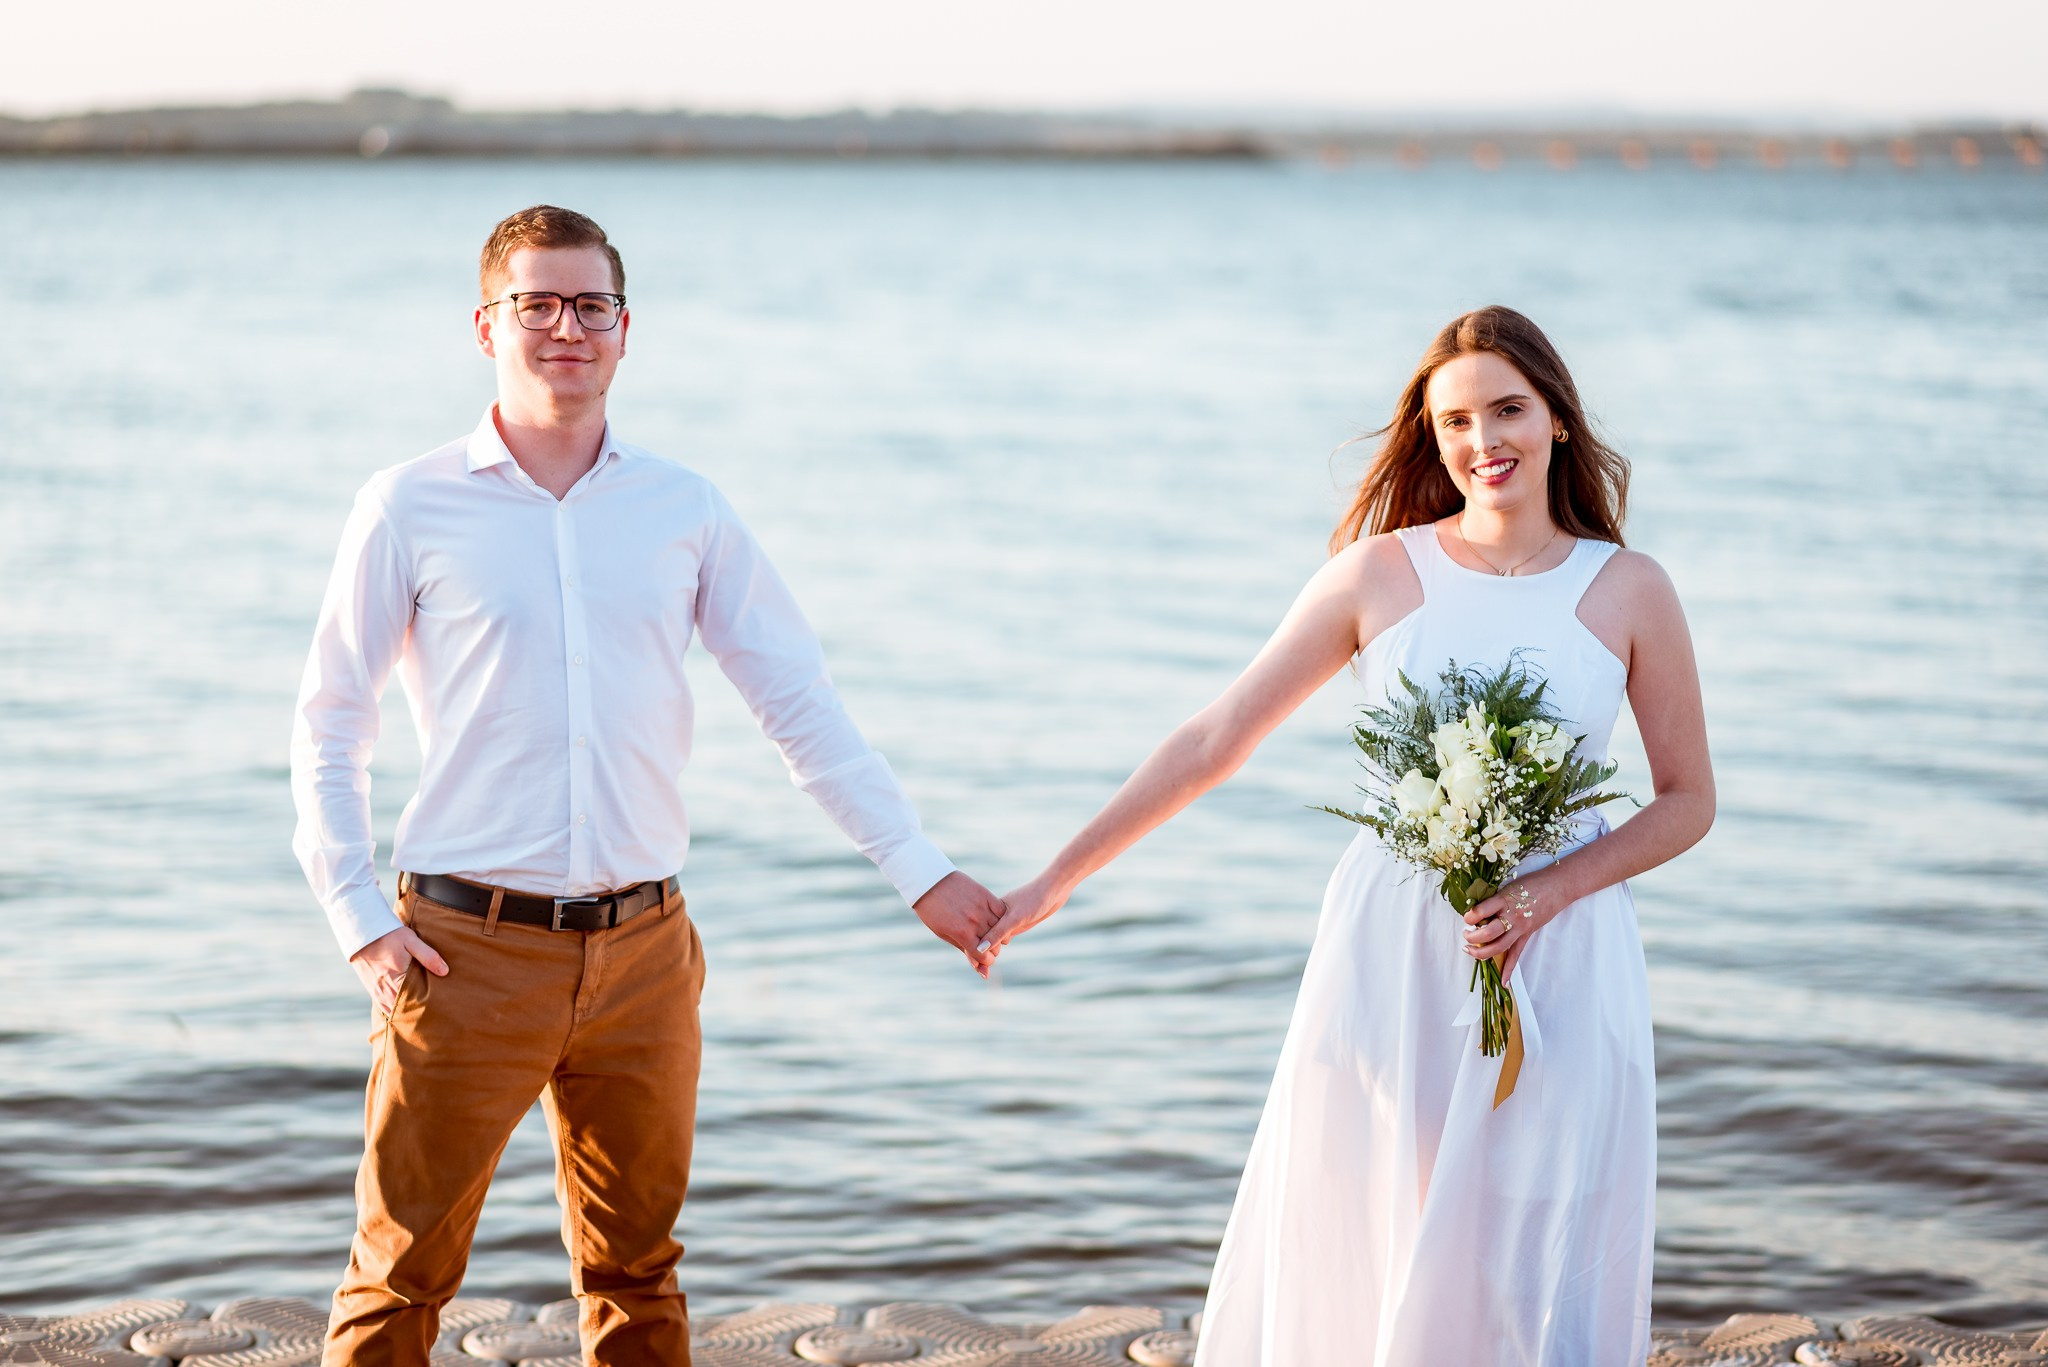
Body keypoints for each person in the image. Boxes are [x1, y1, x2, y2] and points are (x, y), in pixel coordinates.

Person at [289, 204, 1006, 1367]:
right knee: (401, 1268)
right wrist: (359, 919)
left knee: (637, 1270)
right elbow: (331, 724)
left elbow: (798, 704)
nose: (564, 326)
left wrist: (917, 869)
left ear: (625, 330)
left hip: (645, 956)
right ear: (487, 325)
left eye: (589, 305)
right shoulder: (406, 504)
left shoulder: (685, 510)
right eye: (536, 303)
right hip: (463, 953)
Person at [979, 306, 1714, 1365]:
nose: (1480, 441)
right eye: (1453, 420)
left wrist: (1550, 891)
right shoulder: (1377, 573)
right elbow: (1215, 734)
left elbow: (1686, 798)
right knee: (1384, 1218)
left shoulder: (1628, 588)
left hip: (1561, 948)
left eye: (1506, 409)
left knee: (1528, 1228)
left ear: (1556, 418)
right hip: (1395, 946)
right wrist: (1054, 878)